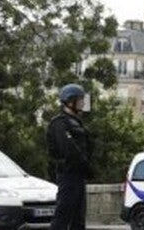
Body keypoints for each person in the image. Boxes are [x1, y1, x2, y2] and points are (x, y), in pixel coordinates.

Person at [47, 83, 93, 230]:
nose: (82, 103)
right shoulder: (59, 123)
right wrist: (85, 165)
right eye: (80, 100)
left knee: (78, 219)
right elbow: (69, 149)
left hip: (79, 176)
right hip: (68, 175)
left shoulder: (77, 123)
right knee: (62, 216)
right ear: (70, 101)